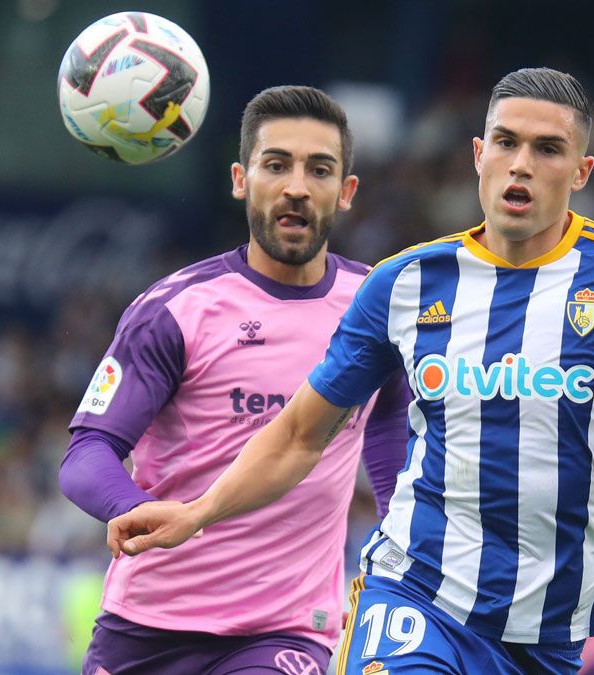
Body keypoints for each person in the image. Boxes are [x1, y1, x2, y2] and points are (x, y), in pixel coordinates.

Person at [107, 68, 594, 675]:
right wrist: (198, 511)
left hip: (549, 633)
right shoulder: (404, 284)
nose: (521, 164)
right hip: (414, 595)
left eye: (548, 149)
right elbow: (301, 434)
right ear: (478, 154)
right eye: (506, 143)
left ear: (581, 171)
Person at [60, 85, 410, 675]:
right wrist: (137, 509)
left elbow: (389, 425)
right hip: (149, 628)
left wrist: (403, 556)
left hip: (286, 631)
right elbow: (87, 452)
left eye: (319, 169)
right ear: (240, 180)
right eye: (276, 165)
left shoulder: (377, 305)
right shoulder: (175, 311)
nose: (296, 186)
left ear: (346, 192)